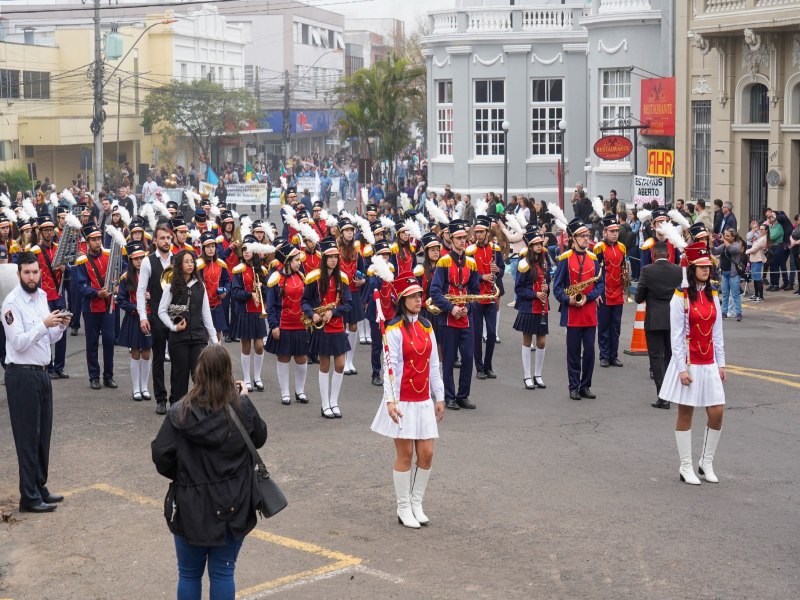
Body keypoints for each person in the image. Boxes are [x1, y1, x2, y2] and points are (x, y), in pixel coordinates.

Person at [151, 344, 267, 599]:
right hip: (232, 504)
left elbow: (160, 454)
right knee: (224, 573)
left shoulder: (180, 410)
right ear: (228, 373)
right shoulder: (241, 408)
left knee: (189, 574)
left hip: (191, 504)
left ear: (199, 372)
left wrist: (183, 473)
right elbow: (259, 437)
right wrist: (244, 399)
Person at [370, 275, 445, 529]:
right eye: (413, 296)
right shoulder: (393, 330)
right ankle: (403, 507)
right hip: (402, 400)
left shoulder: (427, 326)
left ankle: (416, 502)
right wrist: (390, 402)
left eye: (419, 295)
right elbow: (389, 368)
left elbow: (434, 363)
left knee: (427, 453)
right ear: (402, 300)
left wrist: (440, 396)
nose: (418, 299)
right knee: (405, 455)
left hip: (423, 399)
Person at [3, 252, 70, 513]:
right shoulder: (11, 303)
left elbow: (48, 338)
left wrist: (60, 326)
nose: (32, 277)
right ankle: (28, 497)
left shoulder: (42, 297)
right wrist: (44, 324)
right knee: (27, 437)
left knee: (43, 435)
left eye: (35, 272)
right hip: (21, 375)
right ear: (19, 274)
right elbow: (18, 342)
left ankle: (39, 486)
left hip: (42, 373)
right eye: (26, 273)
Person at [658, 242, 726, 485]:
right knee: (685, 414)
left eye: (708, 266)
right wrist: (681, 369)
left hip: (709, 361)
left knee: (717, 411)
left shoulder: (713, 294)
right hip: (689, 361)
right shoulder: (680, 296)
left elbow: (717, 332)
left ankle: (705, 463)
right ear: (692, 268)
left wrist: (722, 364)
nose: (706, 270)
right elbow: (675, 336)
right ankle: (685, 466)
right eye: (701, 266)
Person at [429, 219, 481, 410]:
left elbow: (475, 291)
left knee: (468, 358)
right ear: (451, 239)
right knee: (449, 359)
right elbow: (434, 292)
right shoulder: (443, 262)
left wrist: (469, 307)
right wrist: (451, 308)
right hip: (448, 318)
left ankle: (463, 395)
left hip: (466, 317)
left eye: (464, 238)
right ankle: (449, 396)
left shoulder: (472, 263)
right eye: (458, 238)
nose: (462, 241)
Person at [552, 218, 605, 401]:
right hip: (573, 313)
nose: (586, 239)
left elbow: (600, 285)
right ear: (573, 238)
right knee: (573, 352)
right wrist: (569, 300)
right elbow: (557, 288)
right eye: (582, 236)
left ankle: (586, 386)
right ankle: (573, 386)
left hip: (590, 312)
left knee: (590, 352)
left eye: (587, 235)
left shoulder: (593, 259)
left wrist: (589, 297)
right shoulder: (564, 259)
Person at [159, 249, 218, 407]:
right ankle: (178, 411)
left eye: (192, 261)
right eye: (186, 261)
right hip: (179, 339)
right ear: (179, 264)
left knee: (200, 377)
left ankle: (201, 410)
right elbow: (162, 311)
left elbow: (206, 315)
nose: (190, 264)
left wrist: (215, 340)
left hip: (199, 337)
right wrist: (173, 327)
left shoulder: (201, 286)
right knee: (180, 377)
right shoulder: (171, 286)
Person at [302, 236, 353, 418]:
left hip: (337, 325)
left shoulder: (343, 278)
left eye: (336, 256)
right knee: (324, 365)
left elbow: (348, 303)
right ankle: (325, 405)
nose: (333, 259)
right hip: (322, 327)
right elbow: (305, 302)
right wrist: (313, 314)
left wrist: (334, 312)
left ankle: (334, 402)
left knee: (340, 365)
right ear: (324, 258)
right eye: (330, 256)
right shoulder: (314, 277)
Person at [634, 241, 682, 409]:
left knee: (656, 357)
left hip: (654, 319)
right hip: (673, 319)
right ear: (668, 254)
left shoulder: (647, 270)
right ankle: (672, 392)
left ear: (653, 255)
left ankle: (662, 395)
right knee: (671, 356)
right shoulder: (678, 270)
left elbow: (639, 297)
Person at [266, 242, 310, 406]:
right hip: (283, 325)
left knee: (302, 358)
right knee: (283, 358)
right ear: (287, 260)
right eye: (296, 260)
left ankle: (300, 391)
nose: (300, 262)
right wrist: (274, 325)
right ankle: (285, 393)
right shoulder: (275, 279)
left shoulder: (301, 276)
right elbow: (270, 306)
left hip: (300, 324)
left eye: (299, 260)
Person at [74, 223, 117, 390]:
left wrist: (118, 284)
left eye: (99, 239)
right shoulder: (82, 261)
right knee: (91, 343)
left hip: (108, 307)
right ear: (87, 241)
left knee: (108, 341)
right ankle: (94, 377)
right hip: (91, 308)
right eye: (94, 239)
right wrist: (97, 293)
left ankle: (108, 376)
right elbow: (81, 286)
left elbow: (123, 270)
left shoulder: (109, 254)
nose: (98, 242)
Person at [30, 214, 69, 379]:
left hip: (58, 294)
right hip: (43, 297)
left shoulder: (59, 247)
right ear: (40, 232)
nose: (48, 233)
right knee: (45, 331)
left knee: (62, 330)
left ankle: (59, 366)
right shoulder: (34, 251)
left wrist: (65, 268)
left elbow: (70, 268)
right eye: (45, 230)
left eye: (50, 230)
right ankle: (50, 365)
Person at [513, 226, 551, 390]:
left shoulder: (545, 262)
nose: (539, 246)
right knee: (527, 340)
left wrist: (546, 288)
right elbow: (519, 289)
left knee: (541, 342)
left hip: (542, 307)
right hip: (529, 307)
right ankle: (527, 375)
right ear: (529, 246)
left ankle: (538, 374)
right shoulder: (524, 264)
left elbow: (547, 281)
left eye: (540, 243)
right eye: (535, 244)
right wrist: (535, 294)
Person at [115, 242, 153, 401]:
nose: (138, 261)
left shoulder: (151, 274)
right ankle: (136, 388)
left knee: (147, 351)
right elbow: (120, 299)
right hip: (133, 317)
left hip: (149, 316)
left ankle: (145, 387)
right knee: (135, 351)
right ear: (130, 260)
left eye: (141, 258)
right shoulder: (125, 277)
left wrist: (151, 298)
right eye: (135, 259)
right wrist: (135, 307)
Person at [230, 237, 269, 392]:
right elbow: (235, 292)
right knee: (246, 345)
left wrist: (262, 288)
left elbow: (269, 292)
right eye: (244, 249)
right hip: (245, 311)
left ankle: (257, 377)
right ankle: (246, 378)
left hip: (258, 312)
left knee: (259, 345)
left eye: (249, 249)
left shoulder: (262, 270)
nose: (246, 252)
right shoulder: (238, 270)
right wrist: (249, 294)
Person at [467, 215, 503, 380]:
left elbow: (501, 270)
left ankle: (488, 366)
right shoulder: (470, 251)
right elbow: (467, 275)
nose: (479, 235)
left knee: (490, 333)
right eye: (477, 232)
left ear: (488, 233)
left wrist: (497, 271)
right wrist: (482, 277)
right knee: (476, 334)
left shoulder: (495, 249)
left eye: (482, 232)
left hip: (490, 296)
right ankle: (479, 367)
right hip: (476, 297)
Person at [593, 215, 627, 368]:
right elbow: (595, 272)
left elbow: (623, 269)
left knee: (616, 326)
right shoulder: (599, 247)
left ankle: (614, 355)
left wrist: (625, 289)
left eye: (616, 231)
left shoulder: (622, 247)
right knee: (604, 326)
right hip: (604, 293)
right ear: (604, 232)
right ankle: (604, 356)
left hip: (618, 292)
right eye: (611, 231)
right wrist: (597, 292)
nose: (615, 234)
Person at [336, 218, 366, 376]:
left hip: (354, 291)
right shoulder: (336, 250)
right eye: (346, 230)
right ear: (341, 232)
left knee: (353, 326)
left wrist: (362, 280)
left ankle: (350, 360)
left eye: (351, 230)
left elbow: (363, 272)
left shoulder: (357, 251)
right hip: (339, 292)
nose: (349, 232)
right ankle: (342, 357)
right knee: (341, 325)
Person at [365, 241, 396, 387]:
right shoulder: (372, 272)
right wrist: (379, 277)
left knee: (391, 345)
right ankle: (375, 373)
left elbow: (394, 288)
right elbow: (373, 290)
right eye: (382, 255)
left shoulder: (391, 269)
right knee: (377, 345)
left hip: (390, 311)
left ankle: (391, 372)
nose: (385, 257)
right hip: (376, 313)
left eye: (387, 255)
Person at [196, 232, 230, 342]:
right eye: (208, 247)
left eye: (213, 246)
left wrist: (225, 291)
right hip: (202, 305)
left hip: (217, 304)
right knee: (204, 335)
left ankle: (217, 358)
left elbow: (227, 281)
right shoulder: (198, 265)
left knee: (217, 334)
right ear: (203, 248)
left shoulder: (221, 264)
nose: (211, 249)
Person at [712, 228, 743, 321]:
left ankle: (739, 313)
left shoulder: (737, 245)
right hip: (724, 273)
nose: (725, 237)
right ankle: (724, 313)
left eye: (728, 236)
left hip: (733, 274)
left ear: (733, 237)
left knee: (735, 295)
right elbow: (715, 251)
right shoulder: (723, 245)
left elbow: (733, 250)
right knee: (725, 295)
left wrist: (724, 240)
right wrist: (712, 242)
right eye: (725, 235)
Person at [745, 222, 768, 303]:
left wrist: (746, 251)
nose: (760, 230)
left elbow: (755, 248)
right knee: (754, 278)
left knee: (758, 278)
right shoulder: (760, 237)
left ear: (766, 231)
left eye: (762, 229)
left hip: (758, 259)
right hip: (754, 259)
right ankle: (756, 294)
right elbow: (754, 244)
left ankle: (761, 296)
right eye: (760, 229)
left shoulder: (763, 238)